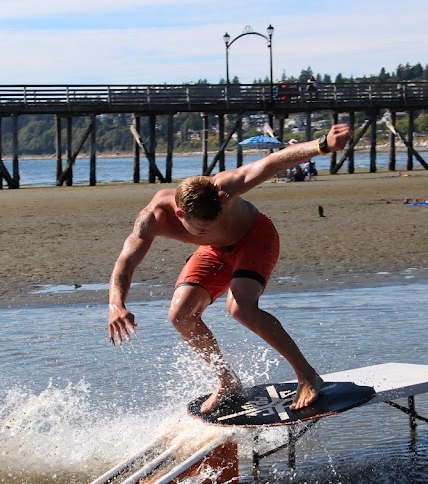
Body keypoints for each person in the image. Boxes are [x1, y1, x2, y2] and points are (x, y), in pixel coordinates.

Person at [108, 124, 353, 413]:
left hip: (254, 238)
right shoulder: (151, 218)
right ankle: (228, 381)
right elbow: (125, 261)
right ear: (179, 214)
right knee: (180, 315)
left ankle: (307, 375)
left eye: (214, 222)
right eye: (200, 228)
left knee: (240, 307)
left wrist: (323, 144)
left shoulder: (224, 187)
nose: (207, 230)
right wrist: (116, 304)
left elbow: (272, 162)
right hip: (214, 253)